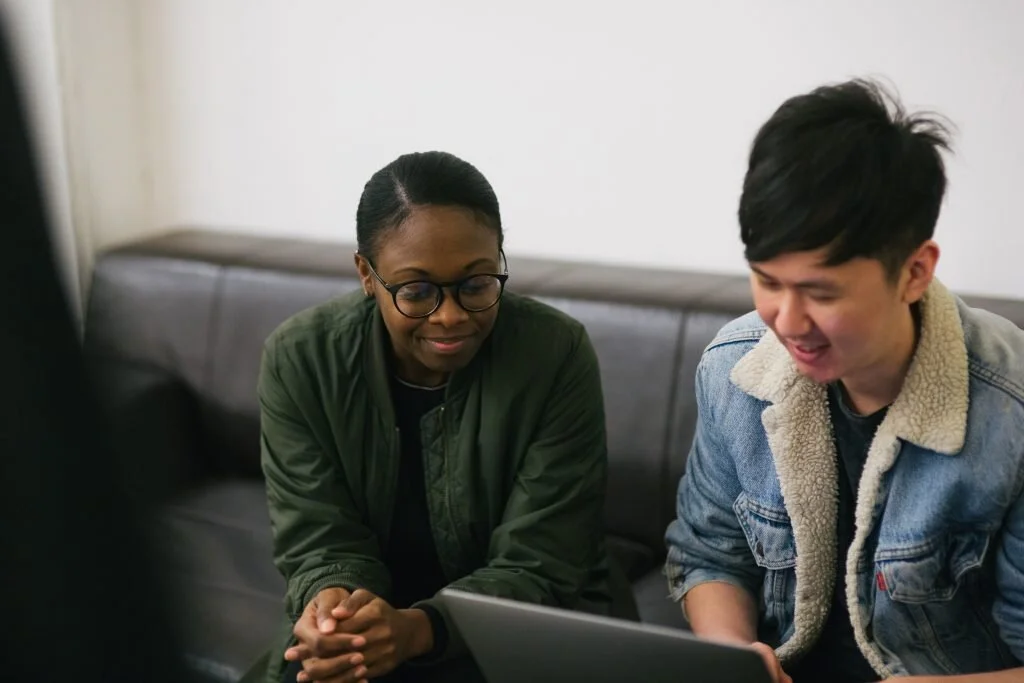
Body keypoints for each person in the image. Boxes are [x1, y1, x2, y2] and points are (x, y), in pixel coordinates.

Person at [665, 79, 1024, 683]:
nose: (786, 320)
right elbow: (709, 553)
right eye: (767, 282)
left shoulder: (1010, 412)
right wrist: (734, 655)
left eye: (822, 293)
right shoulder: (735, 368)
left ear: (914, 272)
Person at [244, 151, 626, 683]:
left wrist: (416, 630)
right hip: (374, 627)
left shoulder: (554, 353)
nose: (450, 316)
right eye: (417, 291)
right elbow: (318, 537)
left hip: (521, 626)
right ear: (367, 275)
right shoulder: (301, 358)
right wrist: (334, 611)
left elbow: (541, 562)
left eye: (476, 284)